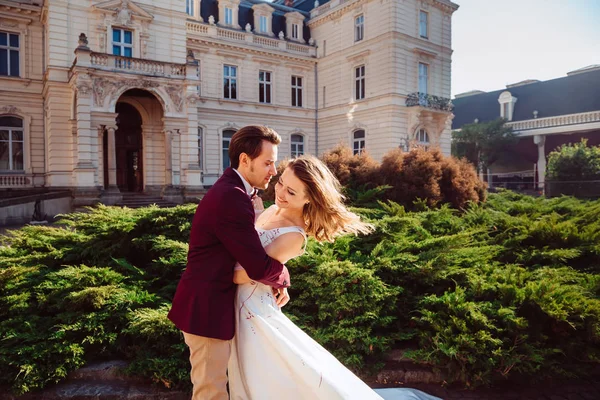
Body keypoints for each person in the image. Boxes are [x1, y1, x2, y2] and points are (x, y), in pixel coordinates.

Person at [228, 155, 440, 400]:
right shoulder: (273, 209)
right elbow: (251, 248)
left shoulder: (294, 237)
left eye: (292, 192)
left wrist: (215, 262)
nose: (281, 193)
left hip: (252, 310)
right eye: (281, 183)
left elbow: (243, 274)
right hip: (242, 304)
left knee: (267, 379)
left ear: (309, 198)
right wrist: (255, 214)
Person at [167, 125, 291, 400]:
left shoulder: (233, 190)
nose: (273, 171)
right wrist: (283, 276)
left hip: (210, 306)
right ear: (245, 159)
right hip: (206, 310)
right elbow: (256, 265)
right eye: (268, 163)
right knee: (210, 392)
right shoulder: (232, 196)